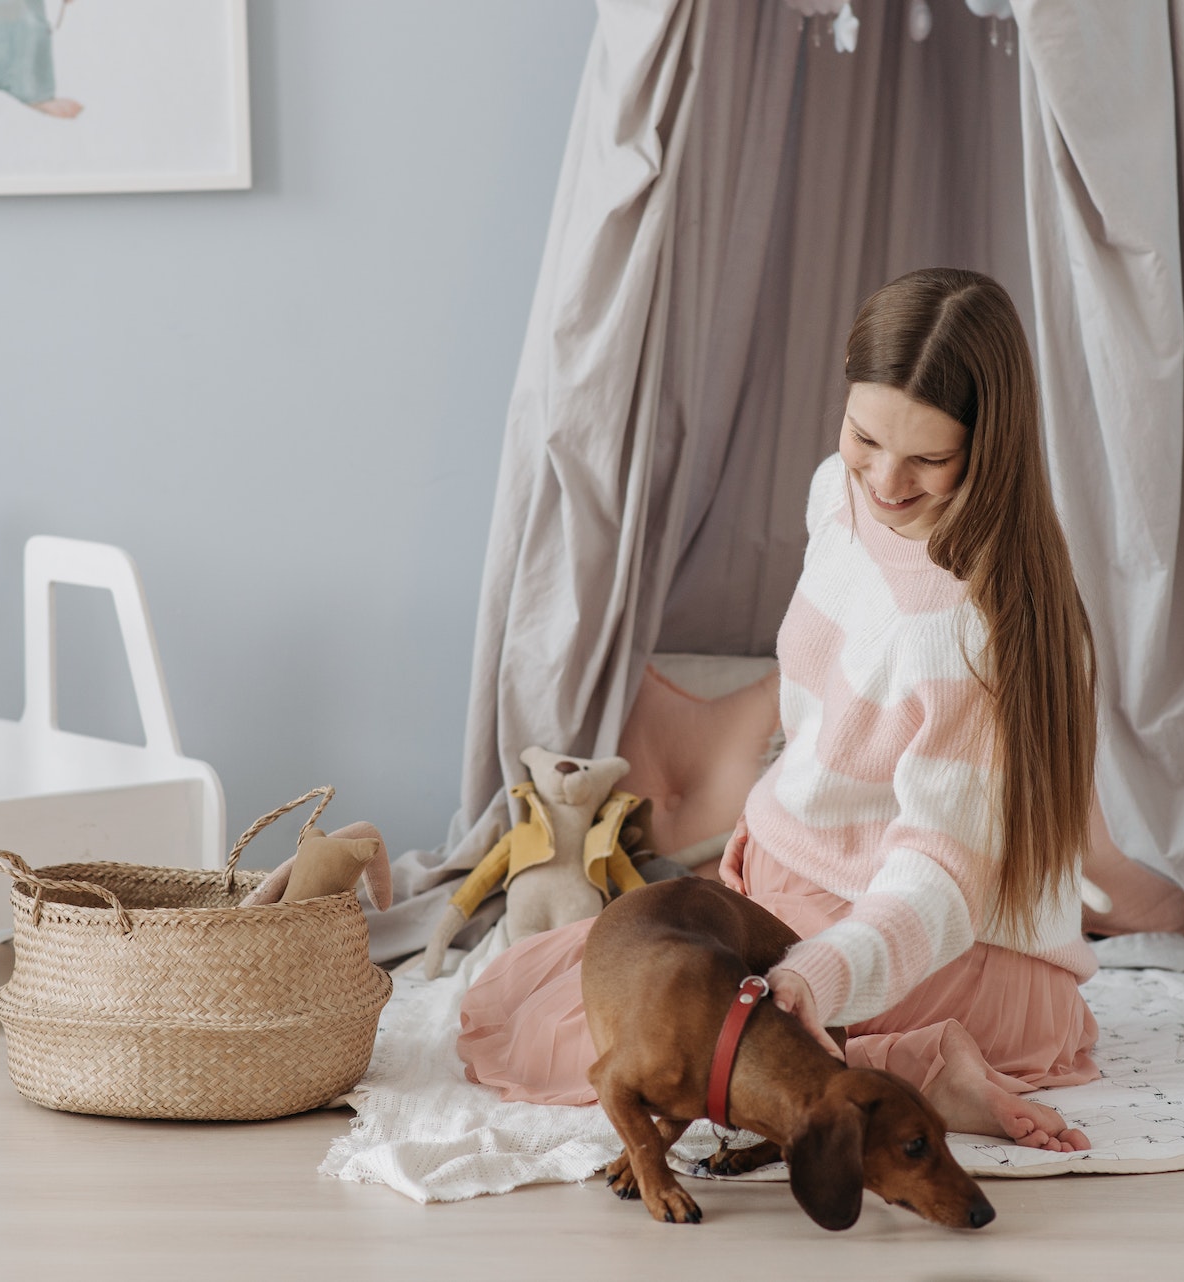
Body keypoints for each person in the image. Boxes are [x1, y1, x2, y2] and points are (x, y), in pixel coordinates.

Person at [458, 267, 1101, 1152]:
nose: (884, 478)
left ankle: (913, 1064)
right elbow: (823, 721)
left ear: (992, 445)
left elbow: (941, 884)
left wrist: (824, 970)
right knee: (574, 989)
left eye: (929, 458)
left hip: (944, 940)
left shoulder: (969, 628)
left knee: (645, 1045)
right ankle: (895, 1062)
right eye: (866, 435)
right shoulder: (836, 492)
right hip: (800, 889)